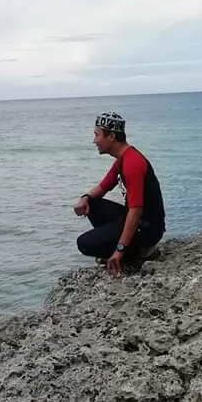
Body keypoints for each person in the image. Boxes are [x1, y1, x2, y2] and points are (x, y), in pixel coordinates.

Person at [74, 111, 166, 277]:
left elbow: (135, 210)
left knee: (85, 243)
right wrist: (84, 198)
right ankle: (127, 246)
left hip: (147, 228)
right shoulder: (122, 159)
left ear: (111, 137)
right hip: (136, 219)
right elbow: (102, 188)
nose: (94, 140)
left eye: (97, 135)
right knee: (92, 203)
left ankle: (141, 251)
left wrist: (119, 250)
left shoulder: (133, 162)